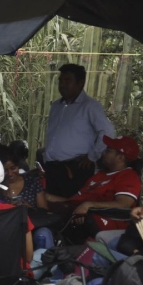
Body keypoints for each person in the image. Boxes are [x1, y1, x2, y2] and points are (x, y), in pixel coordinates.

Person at [42, 134, 140, 241]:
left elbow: (124, 204)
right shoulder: (99, 175)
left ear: (120, 158)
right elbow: (72, 201)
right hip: (72, 213)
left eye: (108, 150)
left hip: (102, 225)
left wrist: (89, 206)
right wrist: (47, 197)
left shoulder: (128, 176)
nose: (104, 152)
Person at [43, 64, 115, 198]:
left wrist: (92, 156)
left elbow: (107, 131)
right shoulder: (56, 106)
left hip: (76, 169)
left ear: (80, 83)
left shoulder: (90, 106)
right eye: (61, 81)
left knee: (73, 210)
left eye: (67, 81)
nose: (62, 85)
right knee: (52, 208)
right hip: (53, 167)